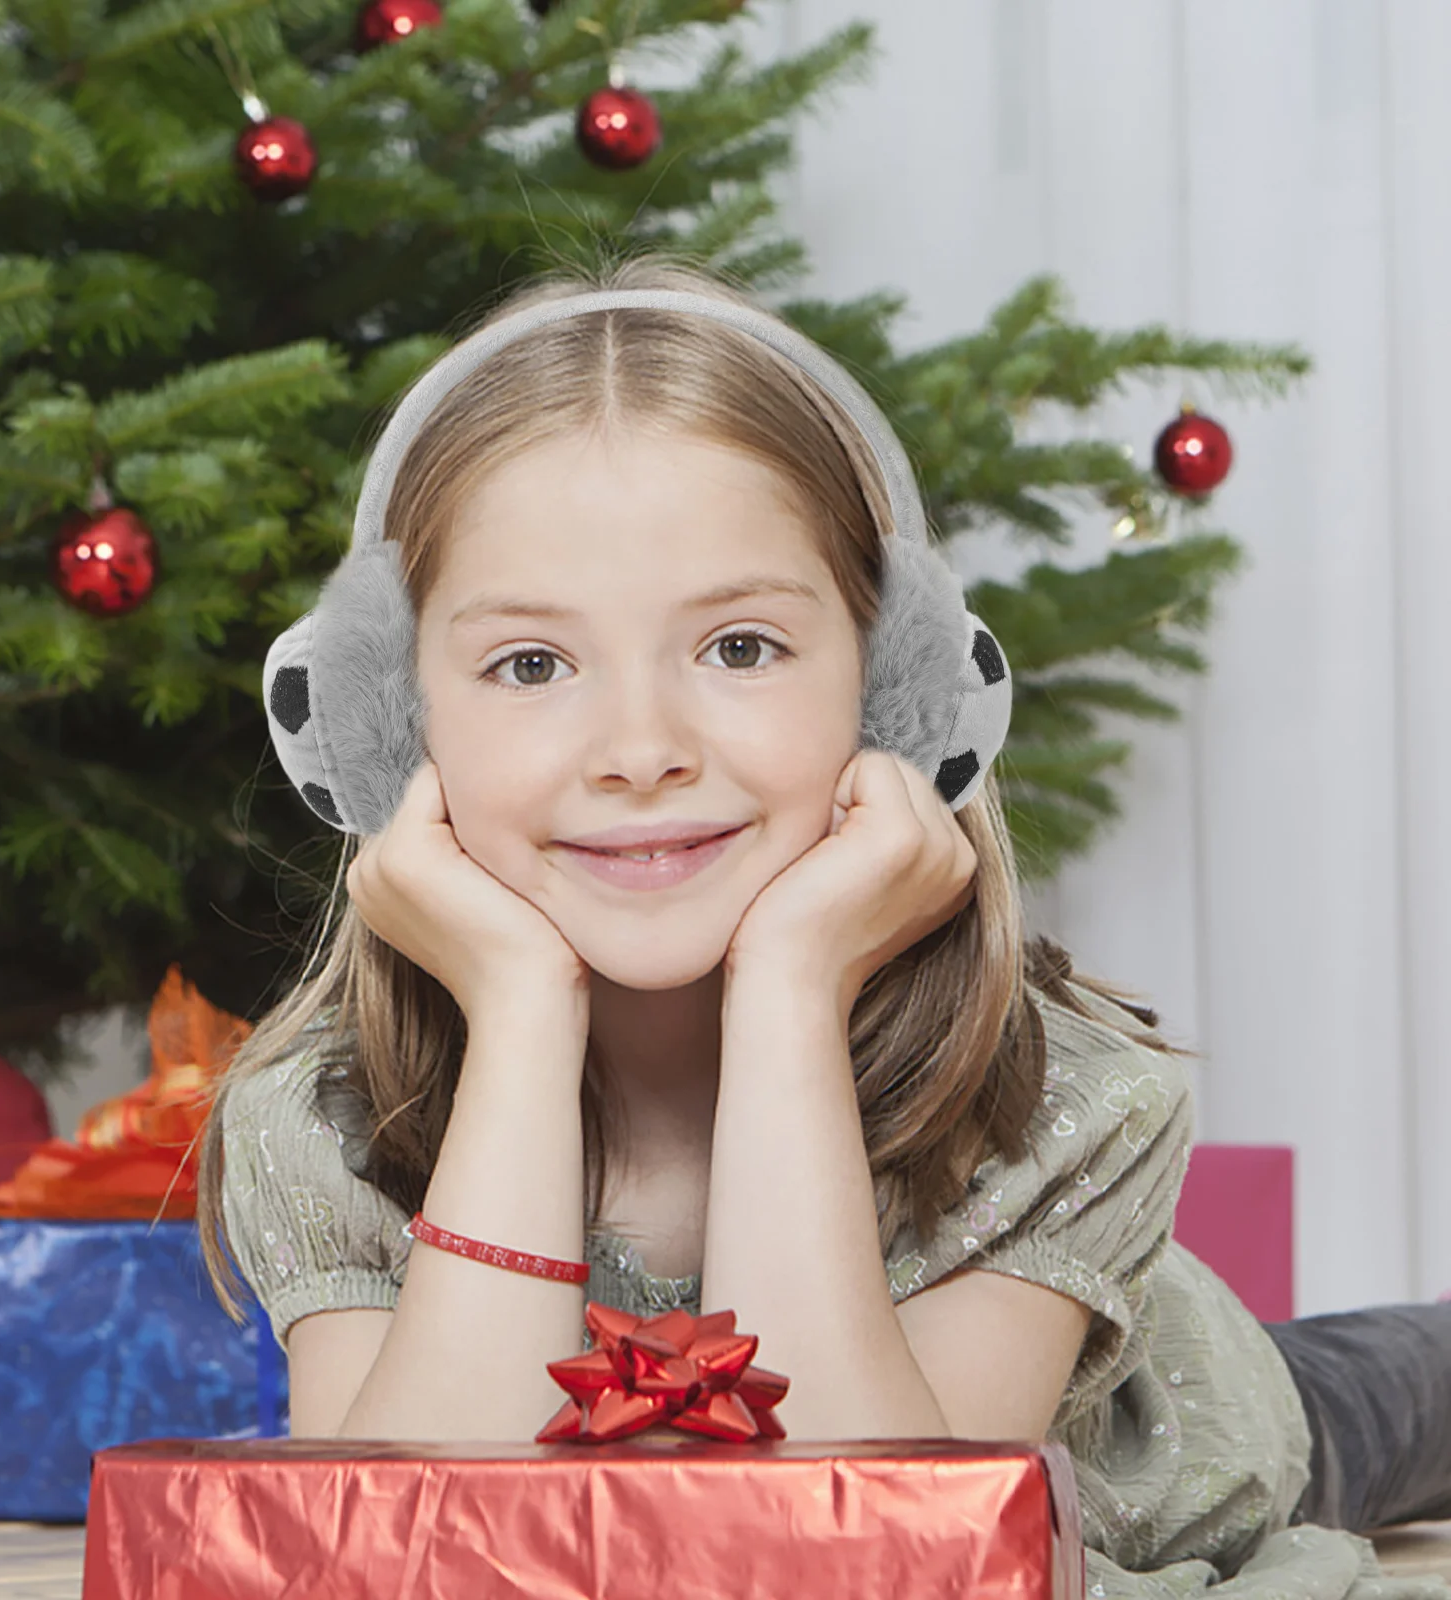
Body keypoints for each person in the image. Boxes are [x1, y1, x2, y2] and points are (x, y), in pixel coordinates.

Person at [196, 251, 1451, 1599]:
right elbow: (419, 1553)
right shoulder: (319, 1114)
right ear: (385, 732)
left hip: (1188, 1429)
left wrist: (791, 984)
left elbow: (873, 1557)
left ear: (899, 695)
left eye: (739, 647)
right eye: (530, 663)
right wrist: (515, 1013)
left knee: (1405, 1392)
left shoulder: (1072, 1103)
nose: (639, 748)